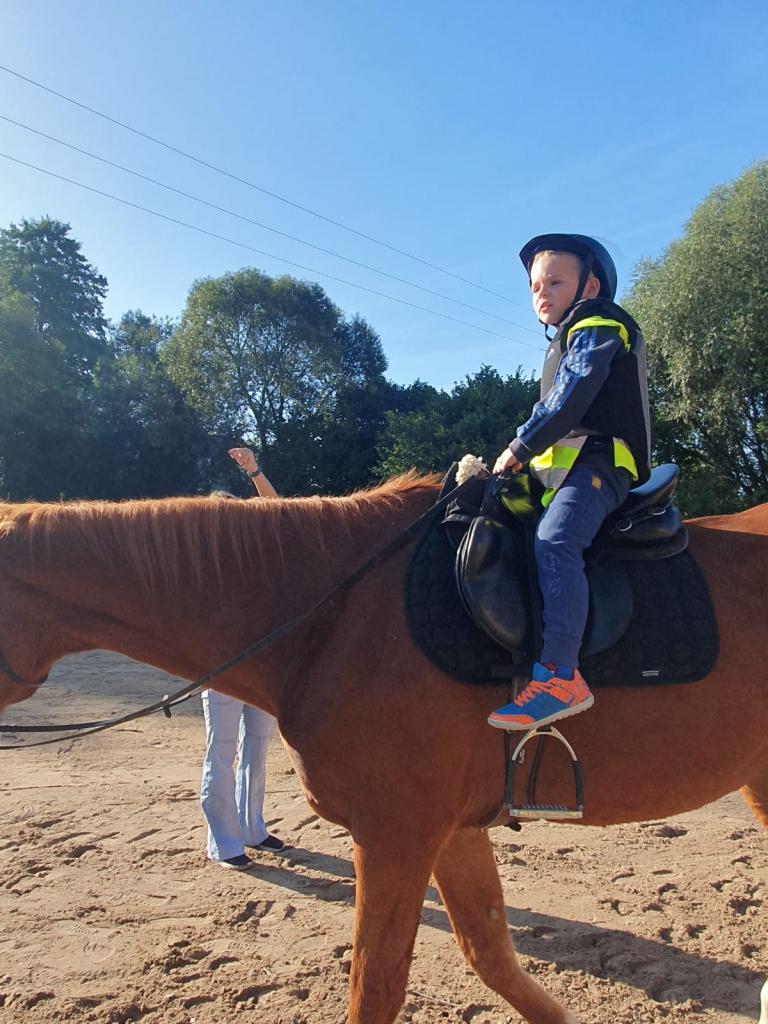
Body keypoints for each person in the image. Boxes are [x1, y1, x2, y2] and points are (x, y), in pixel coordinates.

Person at [487, 234, 650, 732]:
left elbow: (571, 397)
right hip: (563, 474)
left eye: (555, 282)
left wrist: (518, 448)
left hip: (601, 464)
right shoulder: (566, 339)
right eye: (536, 286)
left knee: (556, 541)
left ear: (590, 286)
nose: (542, 293)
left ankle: (561, 678)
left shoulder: (599, 323)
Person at [199, 447, 285, 870]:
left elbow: (278, 510)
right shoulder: (201, 565)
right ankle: (223, 840)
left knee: (257, 747)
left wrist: (254, 470)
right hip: (222, 670)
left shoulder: (253, 554)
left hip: (260, 668)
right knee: (222, 750)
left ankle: (252, 827)